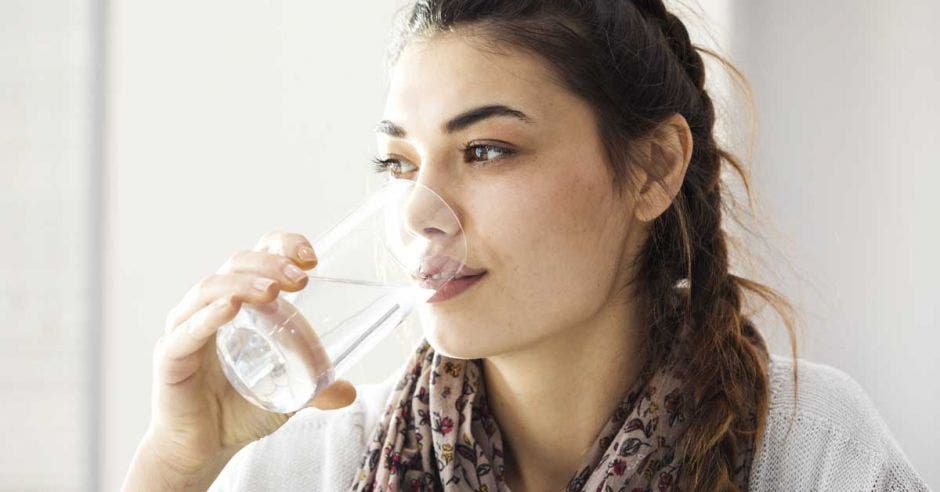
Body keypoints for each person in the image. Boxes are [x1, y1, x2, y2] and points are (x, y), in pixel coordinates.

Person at [122, 0, 930, 490]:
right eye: (399, 164)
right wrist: (178, 464)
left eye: (486, 152)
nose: (418, 215)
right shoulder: (314, 467)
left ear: (652, 168)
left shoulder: (808, 447)